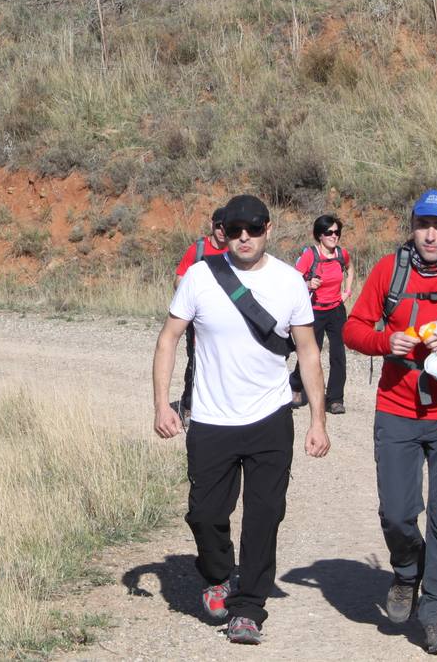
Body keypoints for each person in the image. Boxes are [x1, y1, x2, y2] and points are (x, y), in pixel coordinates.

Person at [153, 194, 330, 646]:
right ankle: (218, 574)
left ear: (268, 229)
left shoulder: (290, 281)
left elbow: (308, 351)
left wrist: (318, 419)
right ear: (223, 233)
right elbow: (169, 339)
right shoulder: (199, 276)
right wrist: (161, 404)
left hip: (270, 418)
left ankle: (248, 608)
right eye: (235, 230)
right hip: (211, 419)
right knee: (205, 513)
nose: (244, 237)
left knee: (264, 515)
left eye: (253, 228)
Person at [342, 190, 437, 655]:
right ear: (412, 226)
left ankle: (436, 614)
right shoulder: (390, 272)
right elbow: (353, 329)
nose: (432, 235)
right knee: (397, 513)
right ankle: (407, 571)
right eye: (424, 224)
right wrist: (387, 341)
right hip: (397, 409)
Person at [289, 214, 355, 414]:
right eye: (329, 232)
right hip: (314, 311)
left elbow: (350, 269)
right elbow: (293, 278)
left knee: (338, 355)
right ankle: (298, 385)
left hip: (336, 310)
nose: (334, 236)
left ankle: (335, 399)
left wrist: (347, 292)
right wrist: (308, 284)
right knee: (310, 353)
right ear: (319, 235)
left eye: (337, 232)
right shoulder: (310, 255)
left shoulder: (342, 254)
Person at [171, 206, 229, 425]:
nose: (222, 230)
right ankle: (189, 405)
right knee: (195, 362)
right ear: (211, 224)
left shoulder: (235, 250)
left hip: (226, 318)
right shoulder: (198, 249)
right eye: (218, 225)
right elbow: (179, 279)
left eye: (227, 226)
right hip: (198, 319)